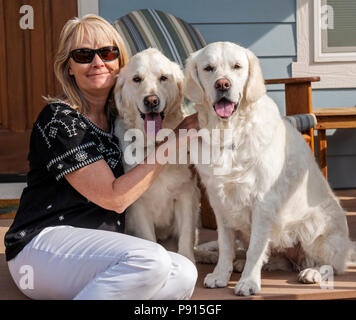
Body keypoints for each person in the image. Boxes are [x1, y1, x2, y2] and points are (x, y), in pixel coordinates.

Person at [4, 14, 199, 300]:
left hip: (102, 251)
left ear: (120, 63)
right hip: (43, 247)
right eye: (83, 55)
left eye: (107, 52)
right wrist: (171, 143)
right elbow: (115, 199)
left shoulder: (119, 118)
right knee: (151, 259)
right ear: (68, 67)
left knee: (184, 272)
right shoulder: (61, 120)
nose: (97, 62)